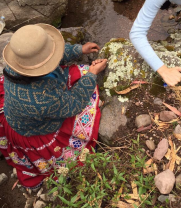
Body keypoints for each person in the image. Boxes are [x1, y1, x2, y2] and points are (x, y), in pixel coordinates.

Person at [0, 24, 107, 189]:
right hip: (36, 131)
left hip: (21, 114)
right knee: (86, 78)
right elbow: (74, 104)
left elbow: (54, 54)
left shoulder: (17, 66)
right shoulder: (42, 100)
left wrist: (79, 50)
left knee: (81, 73)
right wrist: (92, 75)